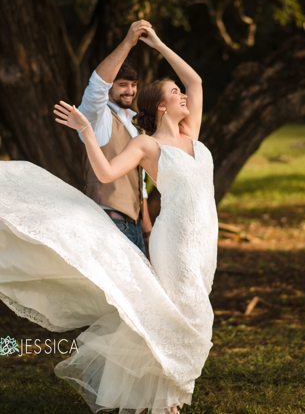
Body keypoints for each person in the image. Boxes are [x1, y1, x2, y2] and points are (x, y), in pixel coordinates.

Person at [0, 22, 217, 414]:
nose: (184, 95)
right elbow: (104, 173)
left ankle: (165, 396)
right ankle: (168, 400)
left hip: (206, 242)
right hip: (176, 243)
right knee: (188, 316)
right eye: (174, 93)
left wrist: (159, 44)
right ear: (161, 106)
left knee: (186, 312)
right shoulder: (147, 144)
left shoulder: (193, 136)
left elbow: (197, 81)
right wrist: (86, 131)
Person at [78, 20, 153, 255]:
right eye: (122, 85)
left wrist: (147, 227)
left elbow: (138, 184)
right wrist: (129, 42)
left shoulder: (133, 126)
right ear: (111, 86)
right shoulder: (98, 118)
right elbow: (97, 86)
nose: (130, 90)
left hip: (135, 227)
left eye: (133, 85)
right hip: (109, 225)